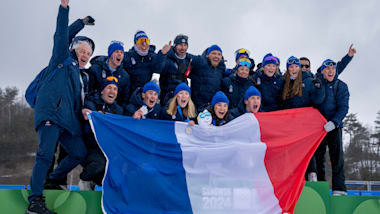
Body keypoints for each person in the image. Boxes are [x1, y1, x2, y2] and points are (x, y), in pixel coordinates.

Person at [27, 1, 89, 213]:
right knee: (45, 155)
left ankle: (52, 180)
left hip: (66, 120)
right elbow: (61, 33)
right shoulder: (61, 58)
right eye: (83, 51)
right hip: (51, 114)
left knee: (78, 152)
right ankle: (35, 201)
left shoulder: (79, 75)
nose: (86, 55)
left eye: (88, 54)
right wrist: (68, 12)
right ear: (74, 49)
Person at [281, 56, 324, 181]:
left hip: (304, 122)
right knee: (293, 151)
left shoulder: (309, 81)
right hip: (290, 122)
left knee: (306, 149)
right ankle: (296, 177)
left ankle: (312, 174)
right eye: (291, 67)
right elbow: (282, 102)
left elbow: (317, 101)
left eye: (296, 67)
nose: (294, 69)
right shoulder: (285, 82)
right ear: (287, 69)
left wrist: (319, 89)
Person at [80, 77, 123, 190]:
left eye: (115, 89)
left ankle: (98, 182)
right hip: (91, 147)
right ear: (102, 91)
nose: (112, 91)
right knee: (100, 163)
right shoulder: (91, 103)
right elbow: (88, 129)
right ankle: (85, 180)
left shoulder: (118, 110)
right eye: (109, 87)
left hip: (108, 149)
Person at [314, 59, 350, 196]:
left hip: (334, 126)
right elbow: (313, 102)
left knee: (337, 157)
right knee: (318, 157)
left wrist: (335, 122)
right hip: (318, 126)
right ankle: (320, 186)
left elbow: (343, 107)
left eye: (333, 69)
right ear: (322, 71)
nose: (330, 71)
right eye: (327, 69)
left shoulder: (341, 86)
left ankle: (339, 188)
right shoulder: (317, 83)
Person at [88, 40, 130, 110]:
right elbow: (89, 92)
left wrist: (117, 111)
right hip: (94, 108)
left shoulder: (125, 76)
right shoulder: (96, 69)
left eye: (122, 52)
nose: (119, 54)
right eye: (116, 52)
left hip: (112, 112)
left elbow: (124, 100)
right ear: (110, 54)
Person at [189, 45, 226, 112]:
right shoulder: (200, 62)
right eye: (213, 53)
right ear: (207, 55)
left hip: (212, 107)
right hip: (196, 106)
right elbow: (185, 56)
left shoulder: (221, 69)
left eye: (219, 54)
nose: (216, 56)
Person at [159, 34, 193, 106]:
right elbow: (158, 68)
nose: (183, 48)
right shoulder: (167, 57)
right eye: (180, 45)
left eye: (185, 45)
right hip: (168, 97)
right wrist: (162, 54)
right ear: (175, 46)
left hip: (183, 97)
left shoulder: (188, 60)